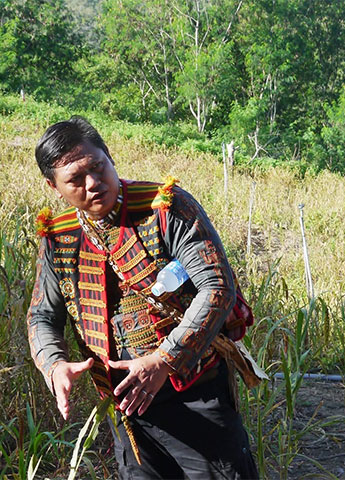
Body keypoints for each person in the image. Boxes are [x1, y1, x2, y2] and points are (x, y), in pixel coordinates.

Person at [27, 116, 259, 479]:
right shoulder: (60, 238)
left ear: (109, 156)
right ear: (53, 186)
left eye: (97, 167)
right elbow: (42, 316)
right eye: (75, 179)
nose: (93, 183)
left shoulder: (165, 207)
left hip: (196, 394)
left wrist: (164, 360)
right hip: (127, 408)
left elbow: (217, 287)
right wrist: (54, 365)